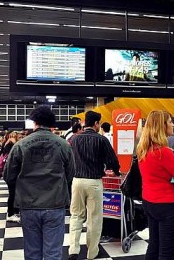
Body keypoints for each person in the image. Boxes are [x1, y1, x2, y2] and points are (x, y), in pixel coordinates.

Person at [4, 106, 75, 260]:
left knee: (32, 252)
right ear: (51, 123)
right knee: (53, 253)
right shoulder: (63, 145)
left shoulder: (20, 145)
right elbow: (71, 173)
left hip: (28, 204)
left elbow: (8, 175)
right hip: (55, 204)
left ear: (34, 122)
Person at [137, 110, 174, 260]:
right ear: (162, 125)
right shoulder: (164, 152)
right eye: (170, 121)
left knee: (154, 244)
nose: (172, 124)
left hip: (149, 201)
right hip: (167, 204)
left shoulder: (143, 150)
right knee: (167, 250)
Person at [68, 110, 120, 260]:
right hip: (94, 182)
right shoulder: (101, 140)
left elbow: (70, 160)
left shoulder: (74, 139)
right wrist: (116, 172)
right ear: (96, 123)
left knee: (76, 215)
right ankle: (92, 252)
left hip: (77, 181)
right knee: (94, 218)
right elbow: (112, 160)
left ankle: (73, 249)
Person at [2, 131, 20, 223]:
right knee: (13, 194)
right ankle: (11, 214)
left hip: (9, 173)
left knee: (13, 193)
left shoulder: (6, 144)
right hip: (12, 173)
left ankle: (14, 212)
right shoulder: (13, 145)